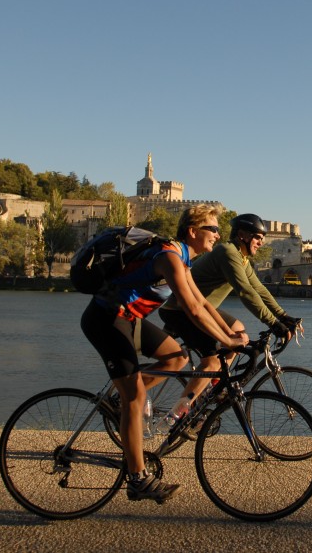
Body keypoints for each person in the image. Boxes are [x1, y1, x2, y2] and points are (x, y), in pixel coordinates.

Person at [80, 203, 243, 503]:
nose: (218, 236)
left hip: (129, 319)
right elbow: (192, 309)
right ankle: (138, 480)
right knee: (135, 398)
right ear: (193, 231)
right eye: (213, 229)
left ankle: (120, 398)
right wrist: (227, 342)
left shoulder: (183, 260)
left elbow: (205, 305)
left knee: (177, 359)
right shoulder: (169, 257)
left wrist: (230, 334)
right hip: (106, 319)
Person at [159, 213, 302, 405]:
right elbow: (245, 292)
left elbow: (258, 289)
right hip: (180, 311)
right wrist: (273, 323)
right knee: (212, 361)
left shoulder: (241, 258)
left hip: (202, 309)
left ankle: (214, 385)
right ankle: (181, 413)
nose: (261, 243)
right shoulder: (227, 253)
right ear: (243, 235)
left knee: (238, 330)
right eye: (258, 238)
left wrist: (283, 316)